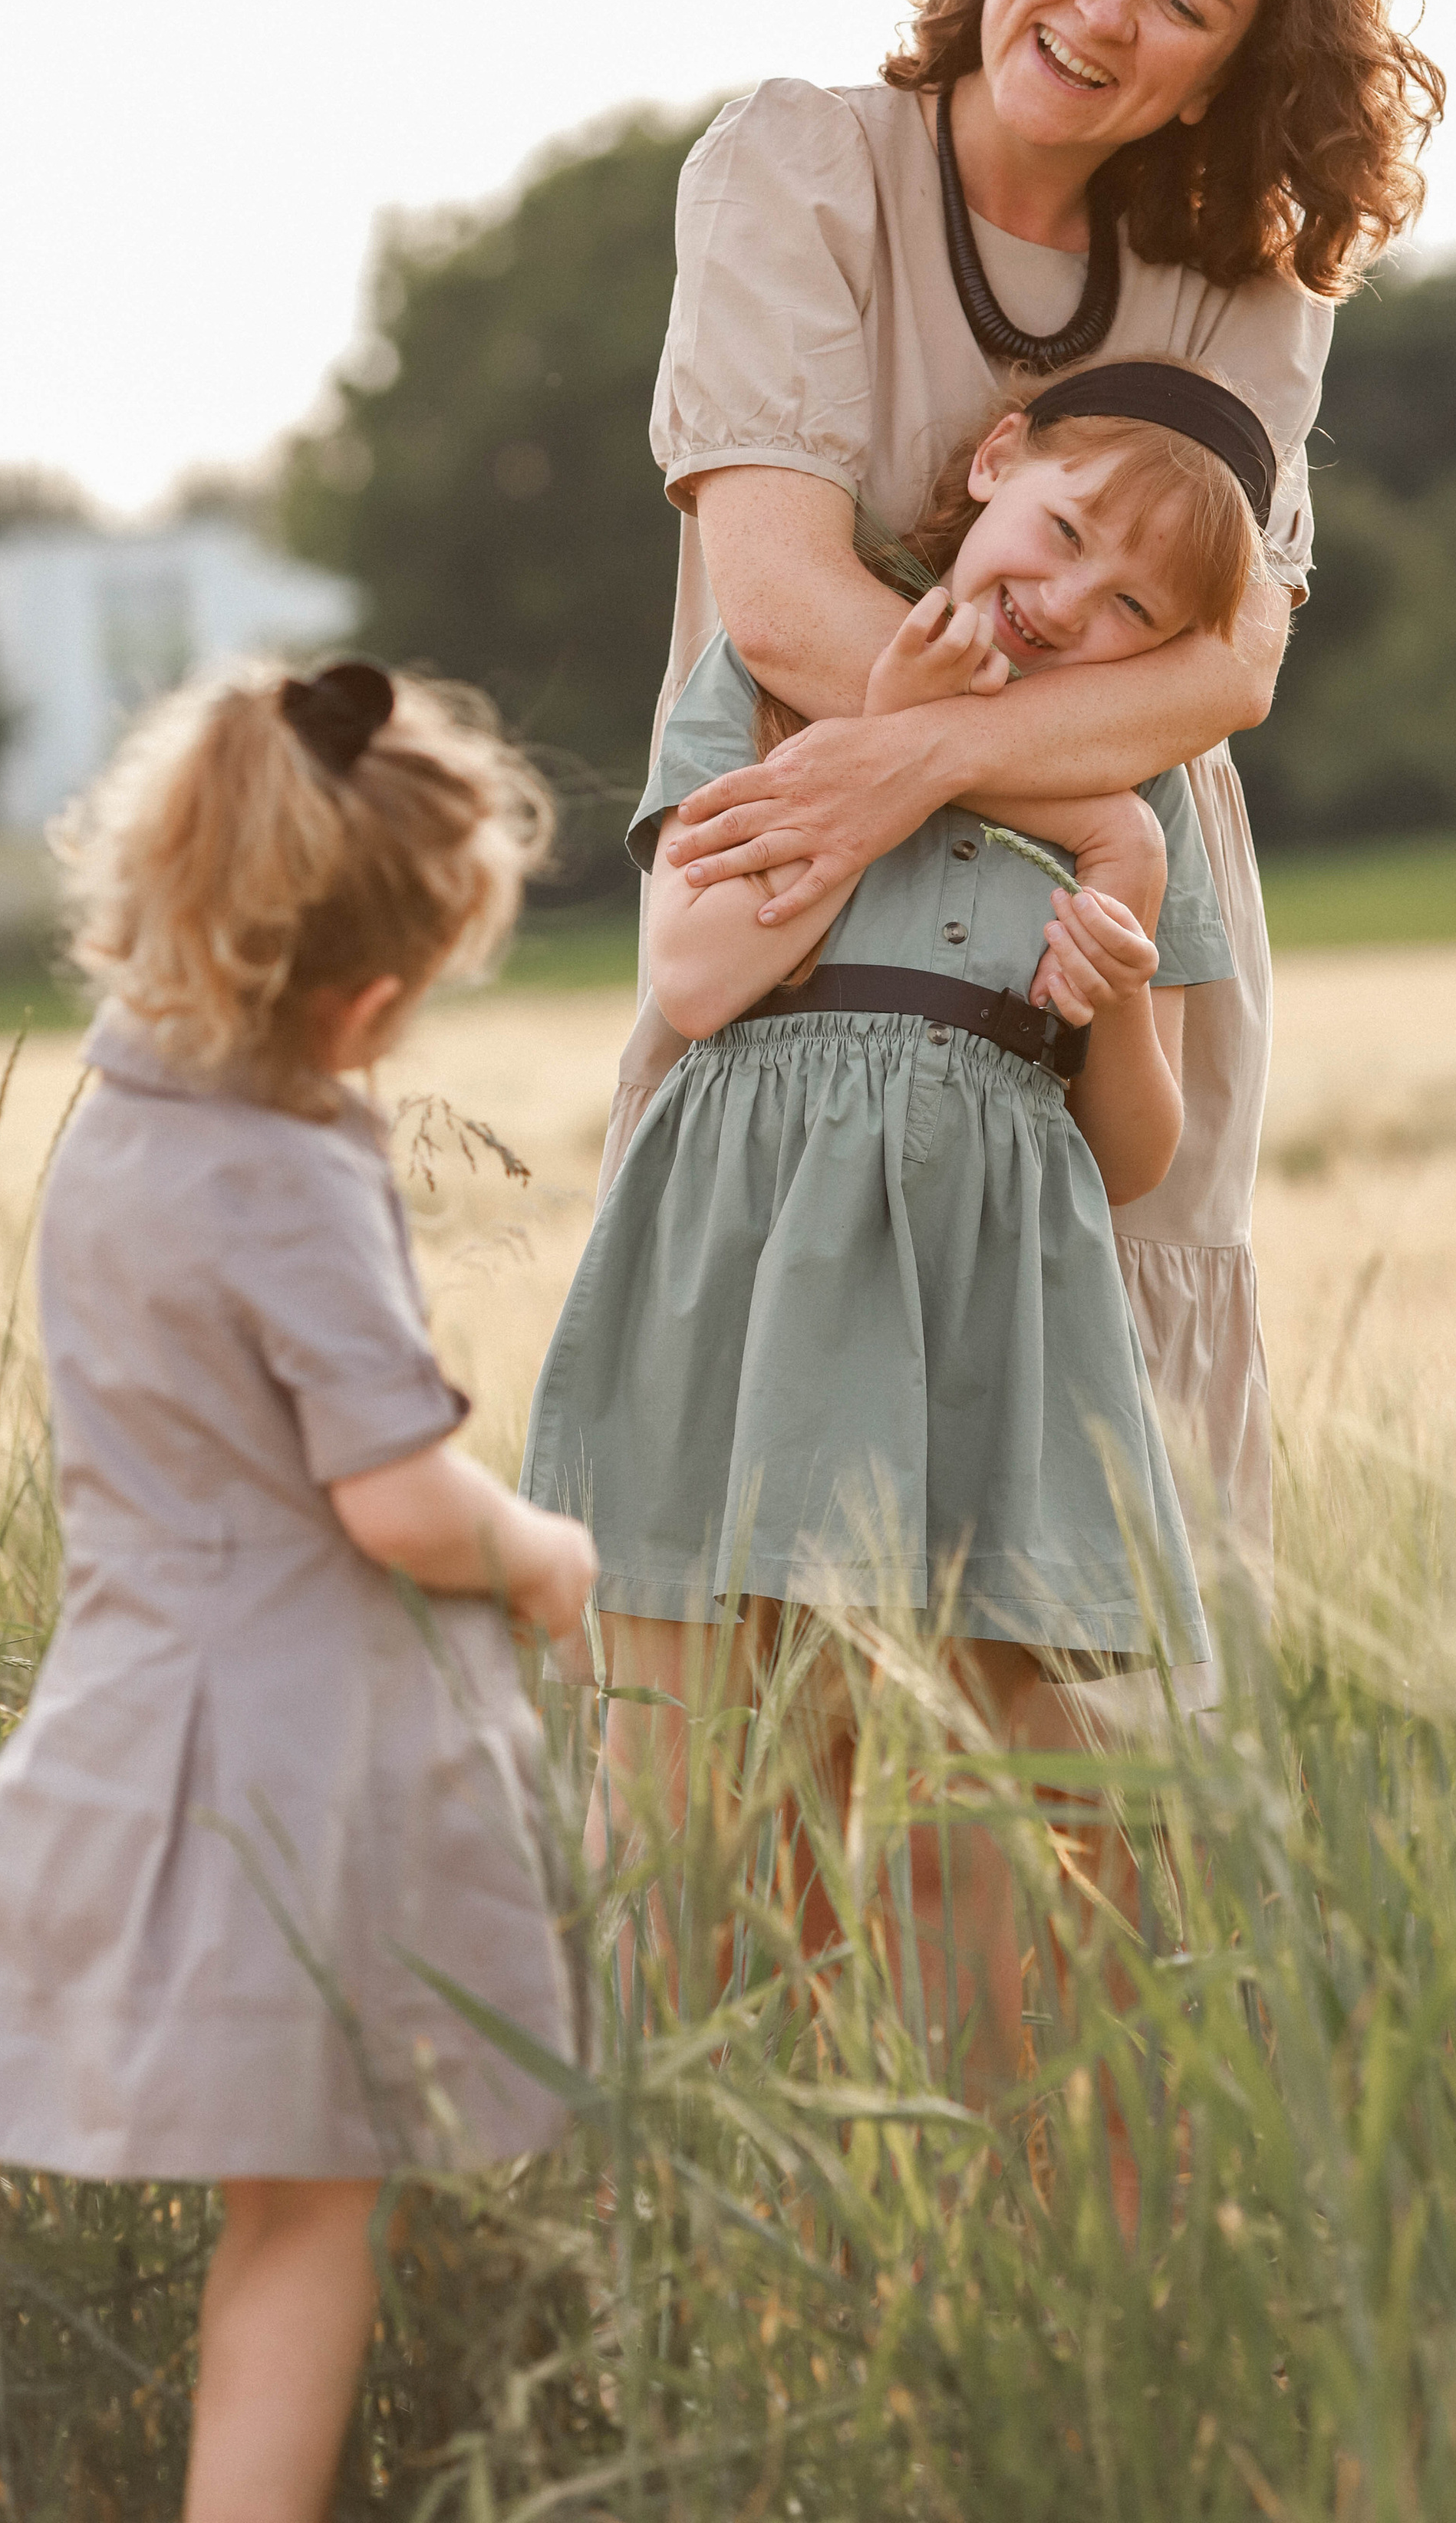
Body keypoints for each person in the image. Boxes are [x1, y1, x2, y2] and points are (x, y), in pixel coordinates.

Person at [601, 0, 1441, 1649]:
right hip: (801, 880)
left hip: (1105, 890)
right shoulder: (796, 166)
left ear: (1224, 69)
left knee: (1075, 1615)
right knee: (756, 1581)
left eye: (1185, 6)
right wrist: (932, 770)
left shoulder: (1249, 283)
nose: (1104, 11)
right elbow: (781, 602)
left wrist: (938, 763)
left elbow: (1228, 663)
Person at [0, 658, 597, 2523]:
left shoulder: (114, 1132)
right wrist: (543, 1558)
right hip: (301, 1769)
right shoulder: (284, 1177)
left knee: (276, 2206)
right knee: (309, 2217)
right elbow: (388, 1501)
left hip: (146, 1717)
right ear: (366, 997)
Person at [525, 361, 1264, 2066]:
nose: (1064, 598)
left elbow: (1129, 1153)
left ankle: (969, 2195)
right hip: (742, 1270)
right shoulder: (772, 686)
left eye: (1128, 606)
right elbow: (700, 979)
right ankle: (691, 2171)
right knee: (688, 1776)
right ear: (995, 463)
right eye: (1061, 530)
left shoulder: (1129, 816)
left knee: (970, 1788)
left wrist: (1116, 988)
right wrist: (885, 744)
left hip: (974, 1314)